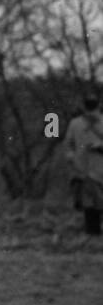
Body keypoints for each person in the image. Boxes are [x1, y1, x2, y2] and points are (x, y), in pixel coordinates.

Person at [65, 92, 103, 236]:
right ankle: (93, 234)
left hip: (85, 169)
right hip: (93, 169)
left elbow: (68, 146)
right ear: (99, 105)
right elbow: (69, 146)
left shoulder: (74, 123)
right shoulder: (76, 123)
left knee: (90, 202)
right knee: (91, 202)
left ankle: (93, 233)